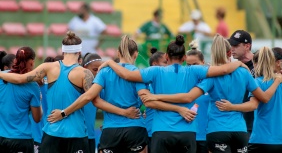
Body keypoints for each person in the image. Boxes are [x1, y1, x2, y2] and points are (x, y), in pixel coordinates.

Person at [97, 35, 248, 153]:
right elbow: (223, 70)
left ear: (166, 57)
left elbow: (128, 76)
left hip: (161, 132)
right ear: (184, 58)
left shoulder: (155, 71)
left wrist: (111, 62)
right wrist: (239, 63)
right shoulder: (194, 70)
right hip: (187, 132)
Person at [0, 32, 137, 153]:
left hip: (51, 133)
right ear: (79, 53)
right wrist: (123, 112)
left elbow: (19, 79)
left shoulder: (48, 67)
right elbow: (95, 101)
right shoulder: (85, 73)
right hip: (76, 134)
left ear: (63, 51)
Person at [216, 47, 282, 153]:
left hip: (261, 139)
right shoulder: (279, 80)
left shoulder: (257, 82)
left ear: (255, 64)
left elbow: (252, 105)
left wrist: (231, 107)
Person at [0, 47, 42, 153]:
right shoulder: (33, 85)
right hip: (21, 139)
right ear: (32, 62)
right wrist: (39, 101)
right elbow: (37, 118)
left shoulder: (2, 76)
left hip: (1, 137)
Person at [228, 29, 255, 134]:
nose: (232, 49)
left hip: (257, 124)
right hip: (238, 124)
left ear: (247, 46)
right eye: (231, 45)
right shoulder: (234, 68)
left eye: (236, 46)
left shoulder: (260, 65)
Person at [186, 40, 209, 153]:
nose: (192, 68)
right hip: (188, 135)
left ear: (203, 62)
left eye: (195, 64)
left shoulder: (211, 81)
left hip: (208, 136)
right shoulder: (183, 82)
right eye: (188, 65)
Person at [146, 47, 167, 153]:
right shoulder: (148, 85)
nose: (168, 65)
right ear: (154, 65)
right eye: (165, 62)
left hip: (169, 131)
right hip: (152, 132)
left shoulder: (170, 81)